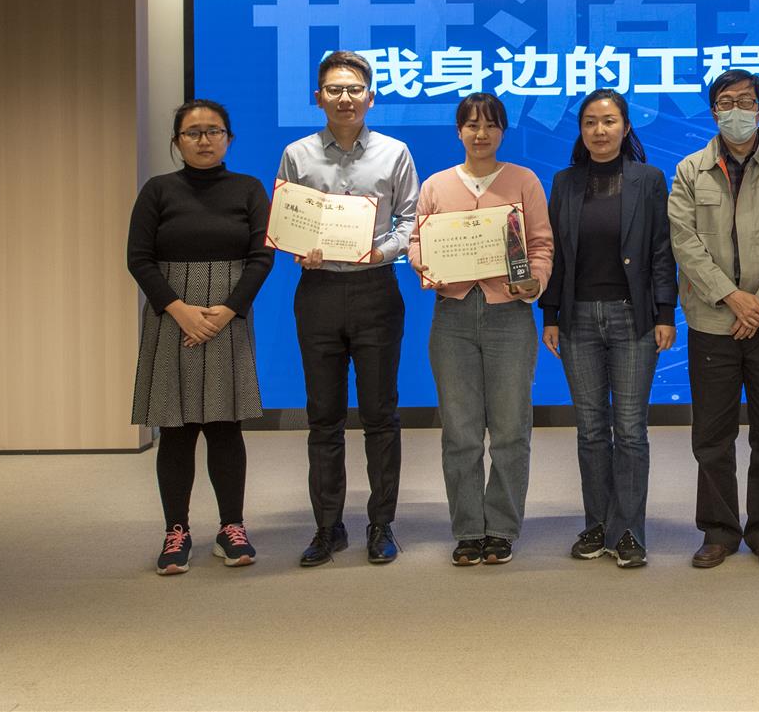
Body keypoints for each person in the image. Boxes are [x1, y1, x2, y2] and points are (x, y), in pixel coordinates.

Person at [277, 50, 418, 568]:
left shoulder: (395, 152)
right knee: (323, 417)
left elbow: (411, 220)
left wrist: (382, 252)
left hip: (376, 289)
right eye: (334, 89)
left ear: (370, 97)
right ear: (318, 97)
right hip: (318, 292)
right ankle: (327, 527)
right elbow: (288, 220)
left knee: (380, 415)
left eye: (354, 89)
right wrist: (298, 247)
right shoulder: (296, 154)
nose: (345, 98)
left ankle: (381, 525)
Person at [666, 68, 759, 570]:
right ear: (713, 111)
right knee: (712, 434)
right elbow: (684, 242)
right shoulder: (691, 169)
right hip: (713, 320)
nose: (736, 111)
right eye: (725, 102)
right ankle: (719, 530)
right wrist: (732, 297)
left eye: (746, 101)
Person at [127, 99, 274, 575]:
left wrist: (226, 311)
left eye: (214, 131)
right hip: (172, 316)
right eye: (193, 133)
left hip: (228, 316)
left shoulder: (249, 189)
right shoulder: (158, 190)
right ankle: (177, 531)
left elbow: (262, 257)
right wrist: (181, 311)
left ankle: (232, 527)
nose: (204, 140)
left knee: (226, 427)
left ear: (229, 138)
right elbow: (139, 258)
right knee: (176, 429)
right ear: (177, 142)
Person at [407, 92, 553, 567]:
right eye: (471, 125)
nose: (481, 133)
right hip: (452, 315)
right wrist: (425, 264)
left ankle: (502, 528)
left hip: (509, 314)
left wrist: (534, 281)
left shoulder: (524, 180)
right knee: (460, 431)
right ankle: (468, 529)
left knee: (510, 429)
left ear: (503, 131)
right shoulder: (436, 185)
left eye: (490, 124)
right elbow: (417, 242)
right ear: (459, 132)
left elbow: (541, 244)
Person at [541, 90, 677, 569]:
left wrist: (665, 313)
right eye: (590, 123)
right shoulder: (565, 182)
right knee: (592, 430)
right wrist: (550, 315)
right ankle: (598, 523)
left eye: (609, 121)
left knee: (631, 430)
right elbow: (556, 254)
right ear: (581, 130)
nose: (600, 130)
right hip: (577, 319)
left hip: (632, 317)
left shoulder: (649, 180)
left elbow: (661, 250)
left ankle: (630, 531)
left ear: (625, 127)